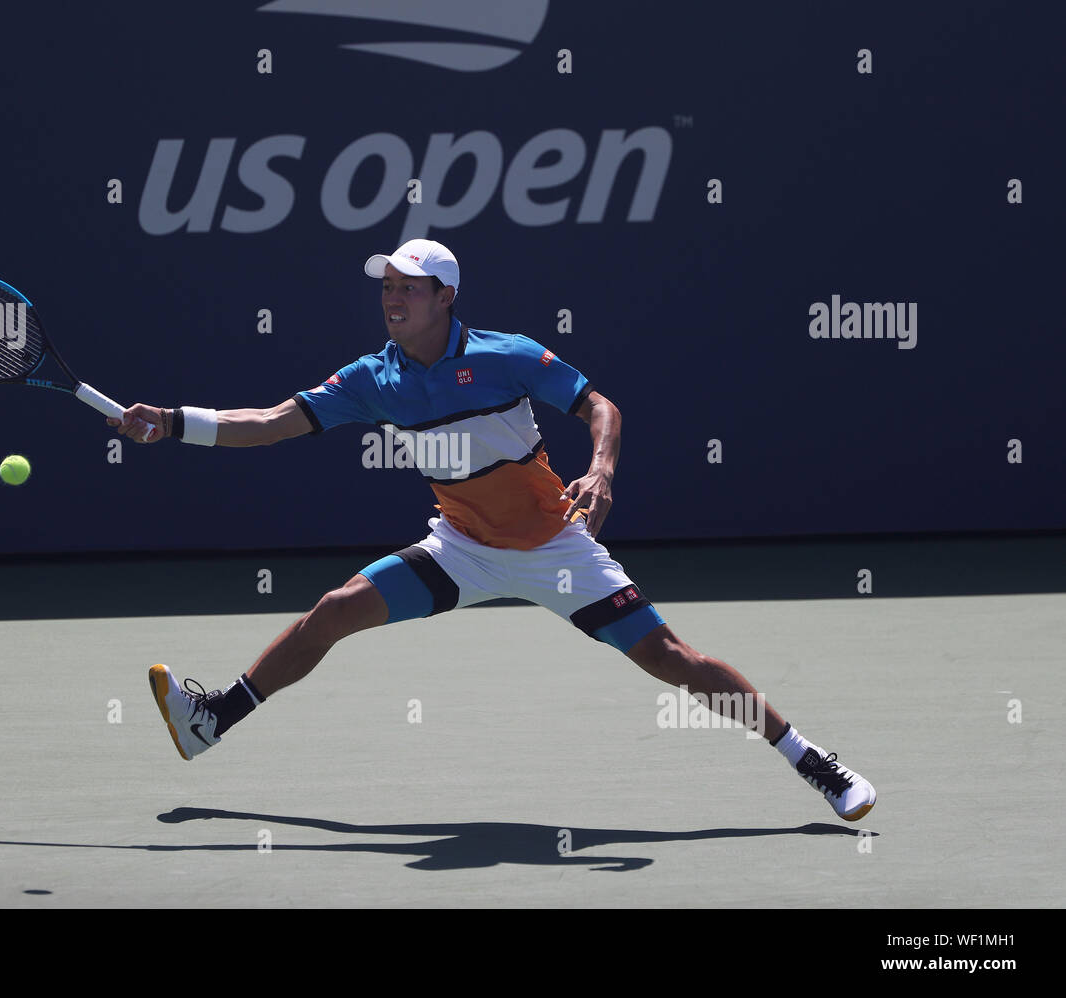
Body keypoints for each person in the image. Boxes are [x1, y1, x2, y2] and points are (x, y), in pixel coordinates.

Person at [110, 239, 876, 821]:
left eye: (408, 288)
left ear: (445, 297)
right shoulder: (373, 378)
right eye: (386, 287)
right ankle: (213, 719)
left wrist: (601, 471)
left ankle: (810, 758)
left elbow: (600, 406)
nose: (392, 299)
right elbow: (272, 422)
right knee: (335, 611)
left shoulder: (505, 357)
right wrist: (174, 422)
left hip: (554, 548)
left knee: (671, 658)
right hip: (463, 549)